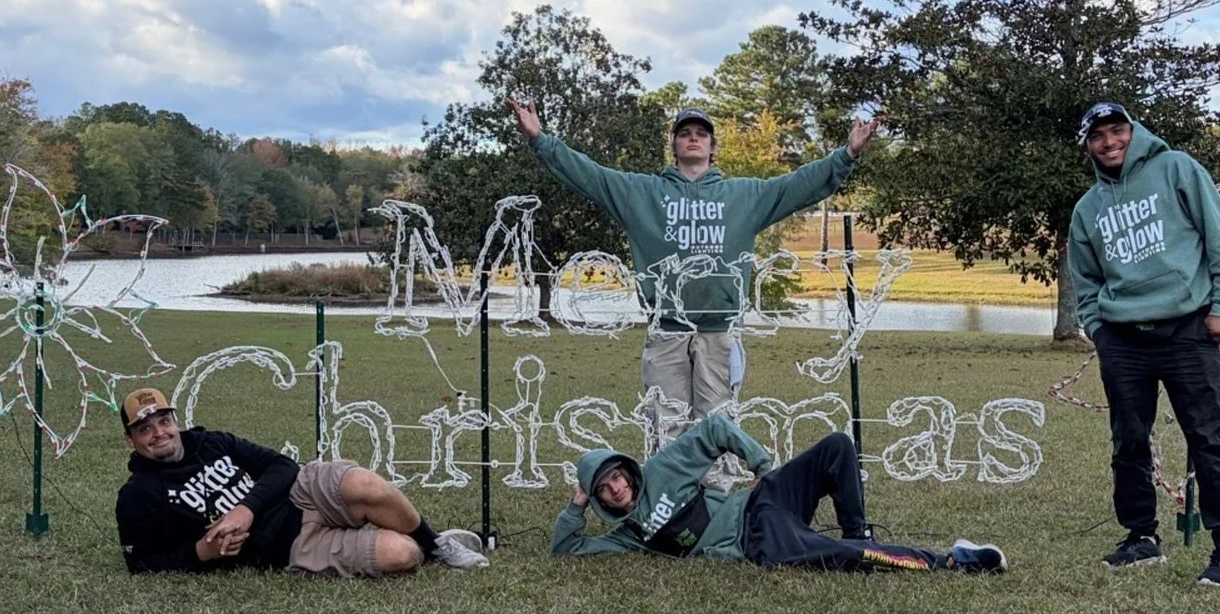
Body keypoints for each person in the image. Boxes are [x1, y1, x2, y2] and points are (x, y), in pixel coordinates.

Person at [510, 96, 878, 427]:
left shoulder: (744, 196)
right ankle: (668, 485)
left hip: (720, 334)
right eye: (684, 133)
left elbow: (798, 185)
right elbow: (590, 176)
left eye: (701, 133)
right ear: (673, 145)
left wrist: (847, 154)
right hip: (666, 332)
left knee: (717, 428)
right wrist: (540, 139)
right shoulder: (641, 193)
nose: (693, 138)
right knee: (666, 426)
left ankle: (718, 487)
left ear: (712, 146)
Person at [1067, 102, 1220, 587]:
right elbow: (1086, 280)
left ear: (1134, 131)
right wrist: (1098, 329)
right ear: (1087, 147)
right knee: (1128, 440)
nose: (1110, 142)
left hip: (1188, 328)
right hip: (1123, 338)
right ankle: (1141, 537)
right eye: (1098, 136)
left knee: (1208, 437)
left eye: (1117, 130)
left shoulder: (1177, 169)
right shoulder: (1087, 209)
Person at [551, 413, 1006, 574]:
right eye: (603, 489)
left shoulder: (660, 471)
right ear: (599, 500)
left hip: (760, 502)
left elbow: (715, 428)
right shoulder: (626, 536)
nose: (615, 488)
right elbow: (565, 549)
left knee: (837, 446)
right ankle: (953, 561)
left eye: (617, 477)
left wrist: (763, 466)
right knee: (838, 557)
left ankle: (857, 533)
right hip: (759, 543)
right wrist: (577, 504)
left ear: (628, 471)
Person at [114, 386, 489, 577]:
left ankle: (437, 544)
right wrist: (200, 553)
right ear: (131, 440)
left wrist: (245, 509)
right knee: (401, 555)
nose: (159, 433)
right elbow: (140, 563)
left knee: (366, 485)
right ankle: (414, 541)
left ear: (175, 421)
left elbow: (282, 466)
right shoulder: (137, 496)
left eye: (164, 421)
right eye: (145, 429)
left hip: (299, 493)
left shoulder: (211, 442)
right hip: (288, 546)